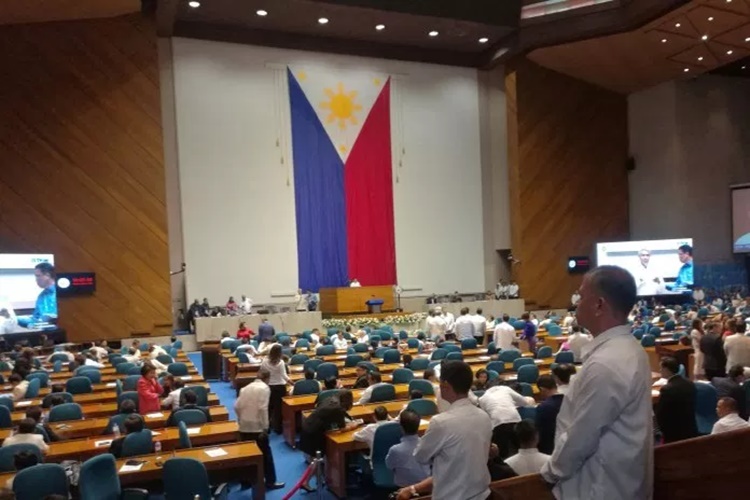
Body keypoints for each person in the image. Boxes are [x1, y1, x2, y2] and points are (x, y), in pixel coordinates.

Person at [541, 266, 652, 499]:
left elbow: (581, 436)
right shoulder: (629, 349)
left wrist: (550, 473)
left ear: (599, 305)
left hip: (597, 488)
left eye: (581, 296)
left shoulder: (605, 363)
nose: (576, 303)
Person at [414, 361, 491, 500]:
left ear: (445, 385)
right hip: (481, 493)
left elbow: (420, 456)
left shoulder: (440, 422)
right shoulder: (484, 416)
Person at [234, 369, 284, 490]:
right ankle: (270, 481)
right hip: (257, 427)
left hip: (244, 426)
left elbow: (236, 406)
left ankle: (246, 481)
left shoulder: (244, 388)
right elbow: (263, 408)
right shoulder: (265, 388)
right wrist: (265, 427)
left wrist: (241, 419)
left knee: (246, 455)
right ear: (267, 379)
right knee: (266, 455)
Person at [299, 390, 355, 492]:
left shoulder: (330, 399)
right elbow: (342, 428)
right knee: (317, 459)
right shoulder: (338, 408)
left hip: (308, 425)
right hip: (315, 432)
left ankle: (319, 479)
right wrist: (353, 426)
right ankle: (305, 482)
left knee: (314, 458)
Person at [479, 378, 535, 459]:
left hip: (497, 424)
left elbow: (485, 416)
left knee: (502, 454)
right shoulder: (505, 389)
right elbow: (524, 402)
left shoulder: (482, 398)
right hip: (514, 419)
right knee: (520, 449)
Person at [656, 356, 698, 443]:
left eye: (661, 368)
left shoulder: (667, 389)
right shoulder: (690, 383)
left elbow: (661, 414)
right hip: (690, 426)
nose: (660, 371)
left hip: (673, 431)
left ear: (666, 369)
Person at [385, 410, 431, 488]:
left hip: (404, 487)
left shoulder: (395, 450)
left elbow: (389, 466)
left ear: (401, 428)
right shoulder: (427, 444)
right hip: (424, 486)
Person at [260, 344, 290, 434]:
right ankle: (278, 428)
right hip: (280, 387)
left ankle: (267, 427)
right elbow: (284, 376)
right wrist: (292, 383)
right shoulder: (281, 362)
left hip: (268, 386)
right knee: (278, 409)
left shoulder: (264, 361)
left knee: (268, 407)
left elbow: (262, 372)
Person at [17, 262, 57, 328]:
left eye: (38, 276)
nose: (36, 280)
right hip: (45, 332)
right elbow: (36, 319)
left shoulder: (61, 293)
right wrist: (14, 319)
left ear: (47, 275)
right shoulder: (41, 296)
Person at [535, 374, 564, 455]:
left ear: (542, 389)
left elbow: (541, 432)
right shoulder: (569, 401)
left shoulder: (544, 407)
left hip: (550, 448)